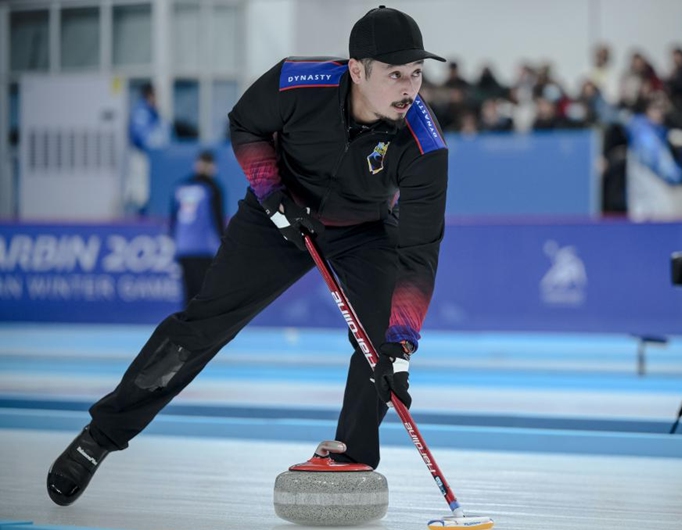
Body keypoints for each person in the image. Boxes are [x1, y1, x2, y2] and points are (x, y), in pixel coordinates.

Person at [46, 5, 448, 507]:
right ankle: (99, 437)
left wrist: (401, 346)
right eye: (395, 75)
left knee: (380, 340)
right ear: (357, 70)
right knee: (202, 325)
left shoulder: (424, 144)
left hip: (361, 230)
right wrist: (273, 196)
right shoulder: (295, 82)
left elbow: (418, 252)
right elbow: (245, 126)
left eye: (416, 74)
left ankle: (350, 455)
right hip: (278, 215)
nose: (409, 88)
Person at [170, 149, 226, 307]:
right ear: (213, 167)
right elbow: (217, 219)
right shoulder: (213, 188)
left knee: (188, 290)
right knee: (204, 290)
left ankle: (187, 325)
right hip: (205, 247)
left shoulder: (180, 187)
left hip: (184, 246)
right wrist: (224, 242)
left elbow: (173, 221)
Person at [124, 83, 170, 216]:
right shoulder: (141, 112)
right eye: (155, 95)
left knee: (144, 191)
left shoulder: (153, 112)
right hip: (139, 156)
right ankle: (135, 219)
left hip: (149, 157)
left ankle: (141, 214)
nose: (157, 99)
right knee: (138, 192)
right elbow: (142, 138)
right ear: (150, 95)